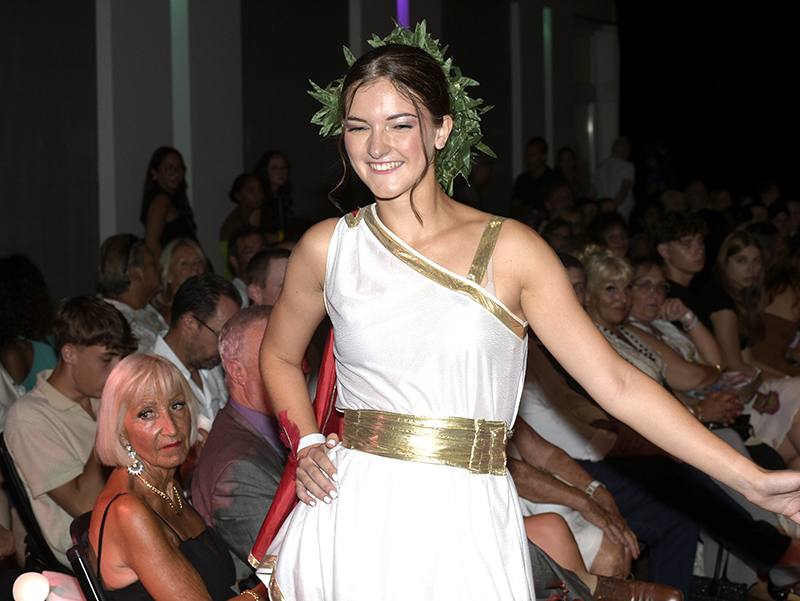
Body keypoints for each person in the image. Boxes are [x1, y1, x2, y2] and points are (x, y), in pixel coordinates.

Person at [257, 27, 800, 601]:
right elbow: (278, 355)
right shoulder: (329, 247)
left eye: (400, 124)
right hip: (354, 511)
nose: (376, 146)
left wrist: (750, 478)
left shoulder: (511, 250)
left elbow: (617, 384)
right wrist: (307, 441)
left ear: (441, 130)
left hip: (467, 514)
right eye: (357, 127)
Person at [90, 354, 267, 601]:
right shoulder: (128, 511)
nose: (172, 428)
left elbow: (215, 583)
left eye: (176, 406)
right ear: (120, 430)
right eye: (147, 413)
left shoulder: (165, 483)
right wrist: (270, 587)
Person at [4, 296, 136, 565]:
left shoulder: (100, 398)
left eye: (121, 359)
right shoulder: (29, 417)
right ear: (69, 354)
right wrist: (111, 422)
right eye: (107, 360)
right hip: (99, 558)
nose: (117, 371)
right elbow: (84, 506)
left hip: (137, 531)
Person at [191, 306, 287, 579]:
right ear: (237, 372)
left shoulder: (264, 429)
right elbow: (290, 567)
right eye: (276, 355)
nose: (297, 364)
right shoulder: (238, 468)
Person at [147, 274, 240, 431]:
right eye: (220, 336)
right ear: (188, 323)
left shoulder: (212, 364)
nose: (227, 348)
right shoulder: (147, 379)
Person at [97, 234, 166, 352]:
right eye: (153, 263)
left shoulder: (146, 310)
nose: (160, 267)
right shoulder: (111, 324)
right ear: (135, 273)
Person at [140, 147, 198, 257]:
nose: (175, 173)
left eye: (179, 168)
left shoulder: (174, 200)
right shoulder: (161, 200)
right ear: (155, 172)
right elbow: (151, 242)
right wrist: (166, 266)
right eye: (168, 168)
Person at [151, 238, 207, 326]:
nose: (194, 267)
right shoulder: (172, 317)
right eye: (184, 263)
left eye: (199, 262)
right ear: (169, 274)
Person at [220, 173, 264, 256]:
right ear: (238, 196)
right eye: (252, 190)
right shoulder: (236, 221)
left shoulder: (255, 214)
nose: (258, 194)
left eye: (260, 189)